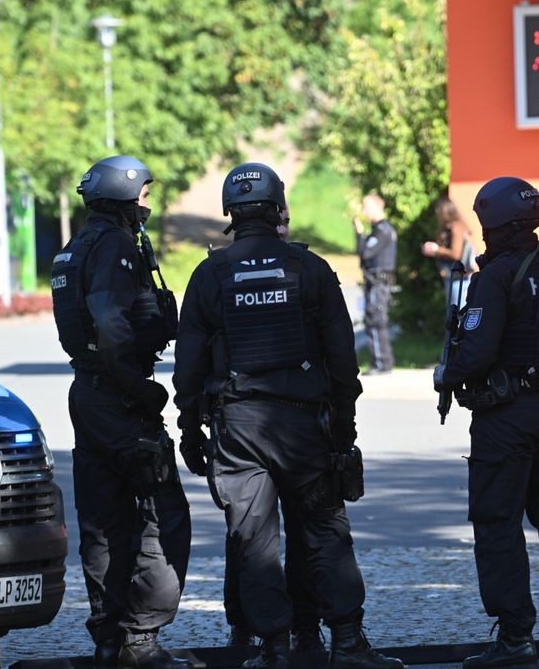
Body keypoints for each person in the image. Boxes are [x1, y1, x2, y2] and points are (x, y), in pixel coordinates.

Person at [173, 162, 403, 669]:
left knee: (253, 540)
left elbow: (187, 366)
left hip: (237, 428)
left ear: (230, 212)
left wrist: (189, 430)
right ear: (278, 208)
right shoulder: (309, 269)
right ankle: (346, 642)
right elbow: (343, 357)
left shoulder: (210, 273)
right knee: (324, 530)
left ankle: (273, 649)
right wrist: (345, 423)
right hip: (303, 424)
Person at [434, 177, 539, 669]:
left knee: (497, 522)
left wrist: (447, 373)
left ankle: (515, 640)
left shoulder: (498, 274)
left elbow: (476, 351)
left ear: (494, 222)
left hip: (506, 416)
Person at [50, 155, 193, 669]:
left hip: (88, 395)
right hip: (119, 397)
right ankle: (141, 641)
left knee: (104, 520)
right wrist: (138, 389)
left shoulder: (76, 247)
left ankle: (109, 639)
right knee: (163, 516)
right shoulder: (113, 245)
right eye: (145, 193)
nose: (149, 203)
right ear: (126, 195)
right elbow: (111, 323)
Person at [221, 202, 324, 654]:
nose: (282, 229)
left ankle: (298, 630)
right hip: (273, 417)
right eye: (279, 220)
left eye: (287, 222)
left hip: (274, 417)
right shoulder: (306, 268)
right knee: (254, 535)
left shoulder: (217, 271)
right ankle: (259, 630)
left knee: (294, 531)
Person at [352, 193, 396, 375]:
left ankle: (382, 362)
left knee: (376, 319)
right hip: (374, 282)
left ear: (377, 207)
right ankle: (380, 361)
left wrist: (360, 234)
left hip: (379, 283)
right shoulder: (378, 230)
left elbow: (366, 253)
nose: (364, 211)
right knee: (373, 319)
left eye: (366, 207)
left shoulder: (383, 230)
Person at [421, 196, 477, 307]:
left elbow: (456, 253)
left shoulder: (456, 227)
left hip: (460, 278)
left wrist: (436, 250)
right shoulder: (447, 228)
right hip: (453, 277)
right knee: (453, 313)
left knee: (457, 314)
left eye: (439, 212)